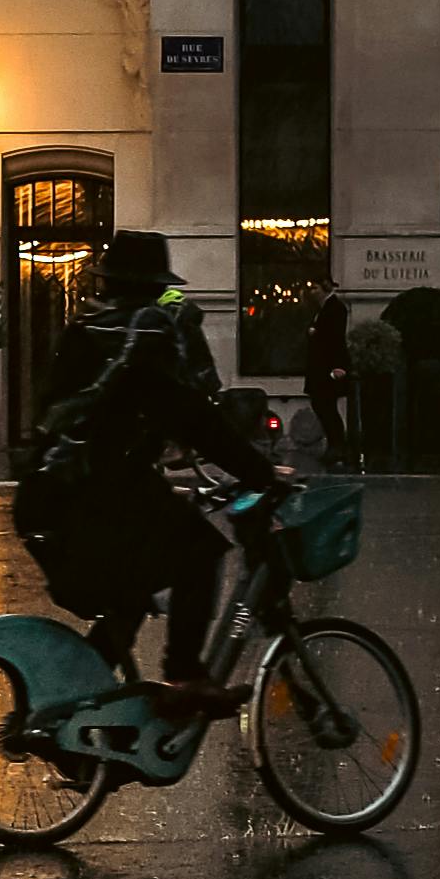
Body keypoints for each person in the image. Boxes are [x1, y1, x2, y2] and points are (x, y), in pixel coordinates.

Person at [23, 230, 277, 718]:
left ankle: (73, 717)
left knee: (132, 591)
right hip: (94, 493)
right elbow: (190, 414)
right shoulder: (146, 328)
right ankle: (184, 678)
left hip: (50, 494)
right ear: (154, 284)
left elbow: (74, 407)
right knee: (202, 551)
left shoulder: (89, 324)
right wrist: (259, 471)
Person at [301, 287, 356, 466]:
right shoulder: (323, 308)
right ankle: (335, 446)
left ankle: (338, 447)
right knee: (324, 406)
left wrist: (338, 366)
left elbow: (336, 339)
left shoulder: (335, 308)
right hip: (321, 367)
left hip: (327, 369)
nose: (312, 292)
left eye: (315, 287)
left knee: (327, 407)